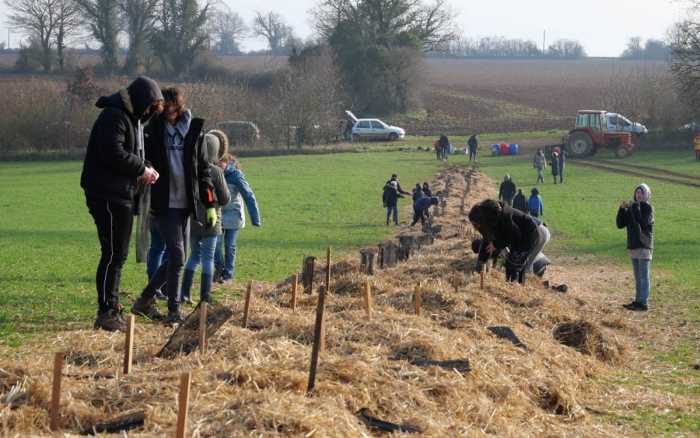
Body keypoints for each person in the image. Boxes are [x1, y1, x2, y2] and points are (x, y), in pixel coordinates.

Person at [81, 76, 163, 332]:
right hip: (107, 194)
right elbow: (113, 153)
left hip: (120, 193)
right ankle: (106, 312)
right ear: (140, 101)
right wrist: (142, 168)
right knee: (114, 254)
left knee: (118, 254)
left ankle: (111, 307)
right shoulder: (114, 117)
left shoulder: (131, 119)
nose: (150, 114)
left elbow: (131, 153)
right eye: (150, 107)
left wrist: (145, 166)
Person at [132, 87, 216, 324]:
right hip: (163, 203)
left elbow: (204, 170)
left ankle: (144, 300)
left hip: (185, 204)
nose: (169, 110)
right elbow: (142, 162)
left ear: (180, 107)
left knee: (178, 257)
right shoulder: (152, 131)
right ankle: (173, 311)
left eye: (173, 106)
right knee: (177, 256)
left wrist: (209, 204)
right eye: (164, 106)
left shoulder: (195, 132)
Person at [180, 131, 232, 303]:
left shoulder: (190, 169)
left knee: (194, 256)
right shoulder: (215, 171)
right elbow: (225, 198)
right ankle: (205, 296)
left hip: (193, 220)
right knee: (208, 257)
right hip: (212, 220)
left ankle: (185, 294)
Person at [468, 199, 550, 284]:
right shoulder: (489, 224)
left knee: (515, 264)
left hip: (528, 235)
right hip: (519, 237)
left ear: (483, 219)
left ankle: (516, 286)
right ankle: (511, 284)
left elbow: (514, 235)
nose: (475, 227)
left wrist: (496, 244)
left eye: (476, 224)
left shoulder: (506, 216)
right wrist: (481, 262)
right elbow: (487, 241)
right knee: (510, 264)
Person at [214, 151, 261, 284]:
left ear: (226, 162)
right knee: (216, 245)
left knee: (230, 246)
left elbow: (249, 195)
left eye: (219, 163)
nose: (217, 166)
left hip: (234, 215)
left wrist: (255, 218)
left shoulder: (236, 176)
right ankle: (219, 269)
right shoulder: (213, 174)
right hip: (218, 215)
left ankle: (228, 275)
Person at [616, 184, 654, 311]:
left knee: (643, 276)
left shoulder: (648, 208)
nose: (639, 195)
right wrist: (621, 209)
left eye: (641, 193)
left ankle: (643, 303)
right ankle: (638, 301)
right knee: (638, 277)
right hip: (633, 245)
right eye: (637, 192)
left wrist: (635, 207)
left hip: (644, 245)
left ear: (646, 195)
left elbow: (643, 222)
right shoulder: (632, 207)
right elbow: (620, 224)